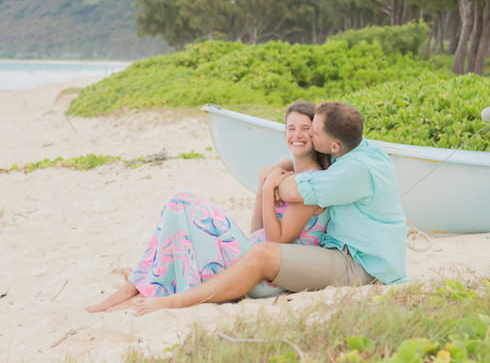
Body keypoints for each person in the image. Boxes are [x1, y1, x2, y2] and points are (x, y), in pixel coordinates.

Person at [132, 100, 407, 315]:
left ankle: (178, 301)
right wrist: (279, 168)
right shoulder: (360, 149)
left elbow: (292, 190)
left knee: (262, 253)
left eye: (314, 131)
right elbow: (295, 160)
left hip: (361, 265)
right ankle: (153, 278)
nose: (307, 134)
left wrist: (273, 182)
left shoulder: (352, 172)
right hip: (348, 252)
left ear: (332, 144)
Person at [85, 101, 331, 312]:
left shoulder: (311, 185)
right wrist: (261, 188)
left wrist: (268, 192)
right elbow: (258, 229)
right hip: (253, 255)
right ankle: (136, 286)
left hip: (267, 277)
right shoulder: (288, 173)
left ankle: (142, 287)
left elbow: (277, 243)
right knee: (178, 209)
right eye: (291, 128)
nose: (296, 135)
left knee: (182, 200)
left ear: (316, 135)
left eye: (305, 129)